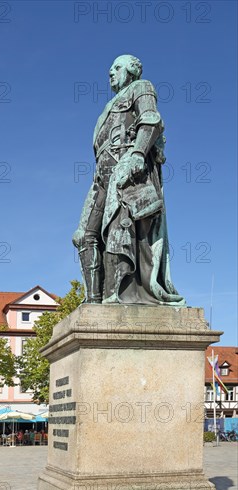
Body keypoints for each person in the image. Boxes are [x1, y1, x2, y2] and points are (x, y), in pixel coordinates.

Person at [73, 54, 185, 306]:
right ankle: (93, 300)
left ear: (132, 71)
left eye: (116, 67)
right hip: (101, 177)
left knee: (118, 229)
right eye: (110, 68)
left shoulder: (141, 87)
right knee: (83, 235)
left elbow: (151, 120)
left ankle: (115, 293)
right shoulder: (106, 109)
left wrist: (136, 155)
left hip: (126, 173)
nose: (110, 72)